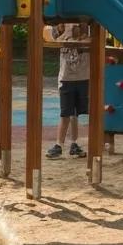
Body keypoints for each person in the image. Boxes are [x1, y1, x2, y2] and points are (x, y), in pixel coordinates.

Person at [43, 22, 90, 159]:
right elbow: (48, 35)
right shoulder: (63, 25)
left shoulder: (87, 26)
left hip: (83, 77)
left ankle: (74, 143)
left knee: (75, 113)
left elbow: (92, 41)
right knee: (65, 113)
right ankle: (59, 145)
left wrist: (83, 35)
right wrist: (59, 28)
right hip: (66, 78)